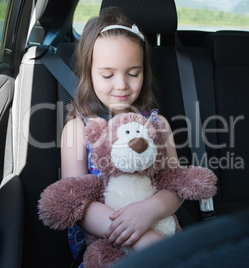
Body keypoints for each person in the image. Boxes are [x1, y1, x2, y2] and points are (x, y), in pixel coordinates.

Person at [60, 7, 183, 265]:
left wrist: (150, 210)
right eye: (107, 74)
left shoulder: (157, 124)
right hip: (103, 248)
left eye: (133, 73)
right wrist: (139, 238)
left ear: (144, 72)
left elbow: (176, 184)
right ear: (88, 73)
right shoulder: (77, 130)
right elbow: (76, 201)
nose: (122, 85)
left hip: (160, 237)